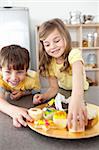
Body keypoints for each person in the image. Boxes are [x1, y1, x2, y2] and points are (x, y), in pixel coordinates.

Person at [33, 18, 89, 131]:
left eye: (57, 41)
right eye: (47, 44)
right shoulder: (50, 64)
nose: (53, 47)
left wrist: (76, 98)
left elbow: (78, 74)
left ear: (65, 37)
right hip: (63, 92)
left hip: (81, 91)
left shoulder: (74, 54)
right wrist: (44, 97)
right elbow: (54, 88)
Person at [0, 44, 40, 128]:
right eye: (7, 72)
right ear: (1, 70)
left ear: (26, 70)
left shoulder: (32, 79)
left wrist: (23, 93)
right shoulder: (0, 78)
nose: (14, 78)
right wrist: (13, 110)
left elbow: (36, 91)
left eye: (19, 72)